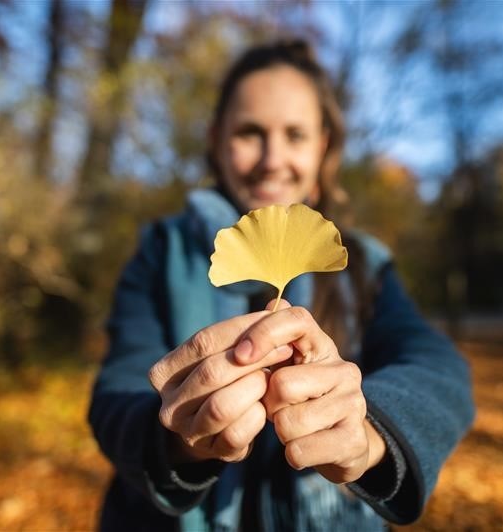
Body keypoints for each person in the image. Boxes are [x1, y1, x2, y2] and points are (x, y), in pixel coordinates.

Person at [88, 39, 475, 531]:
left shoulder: (362, 266)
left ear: (323, 147)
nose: (273, 159)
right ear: (215, 140)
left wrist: (369, 432)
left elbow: (436, 366)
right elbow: (116, 392)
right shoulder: (162, 251)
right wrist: (176, 439)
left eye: (295, 134)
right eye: (250, 132)